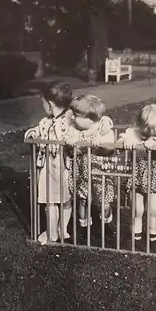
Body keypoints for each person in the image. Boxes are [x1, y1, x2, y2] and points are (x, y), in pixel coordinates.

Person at [24, 80, 73, 244]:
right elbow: (39, 131)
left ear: (50, 104)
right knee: (61, 200)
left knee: (54, 201)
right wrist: (33, 132)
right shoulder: (50, 121)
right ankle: (58, 230)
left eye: (43, 102)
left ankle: (55, 233)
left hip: (57, 167)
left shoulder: (66, 121)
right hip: (59, 166)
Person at [118, 103, 156, 242]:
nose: (150, 134)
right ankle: (135, 231)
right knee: (136, 208)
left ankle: (154, 233)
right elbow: (120, 141)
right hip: (137, 174)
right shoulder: (134, 132)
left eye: (154, 131)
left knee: (153, 209)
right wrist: (126, 141)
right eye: (146, 130)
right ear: (140, 125)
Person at [66, 94, 115, 228]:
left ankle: (107, 220)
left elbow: (111, 148)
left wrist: (102, 144)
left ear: (90, 119)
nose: (73, 117)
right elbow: (70, 138)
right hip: (83, 173)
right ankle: (84, 227)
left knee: (104, 201)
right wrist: (71, 141)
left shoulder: (103, 130)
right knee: (83, 200)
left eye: (77, 116)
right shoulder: (75, 129)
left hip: (101, 173)